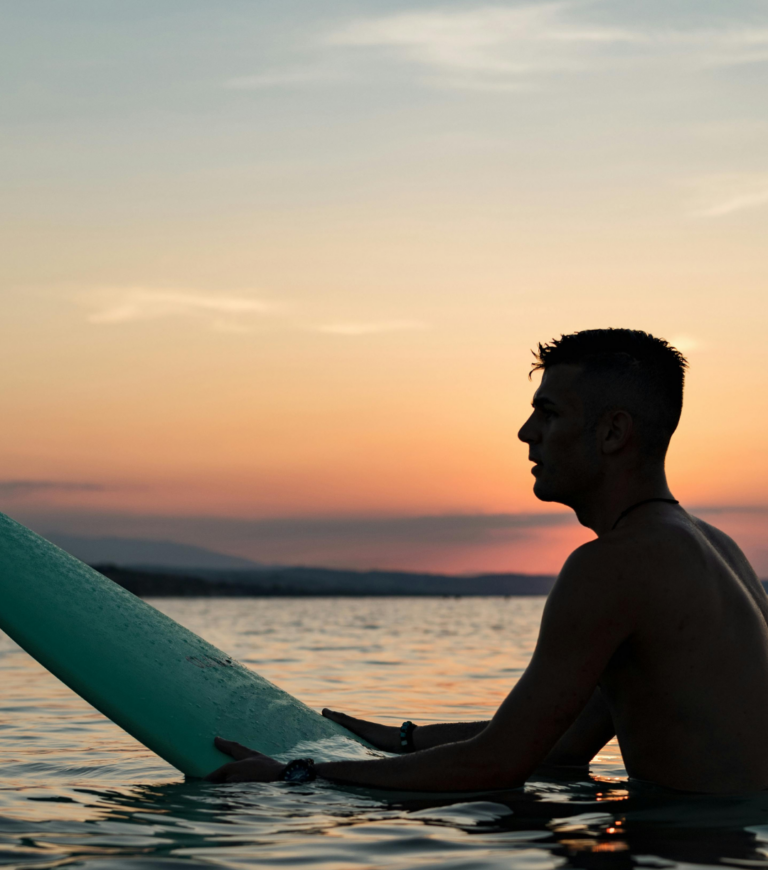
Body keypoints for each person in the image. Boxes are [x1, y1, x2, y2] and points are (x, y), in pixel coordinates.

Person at [209, 328, 768, 796]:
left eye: (547, 413)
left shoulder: (614, 566)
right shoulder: (712, 547)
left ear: (613, 432)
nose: (526, 433)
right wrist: (399, 739)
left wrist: (296, 776)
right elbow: (567, 740)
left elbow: (497, 768)